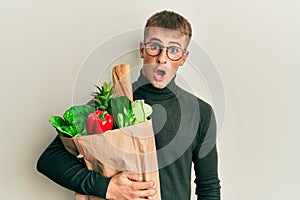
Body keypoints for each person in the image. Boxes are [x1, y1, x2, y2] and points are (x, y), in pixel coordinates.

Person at [37, 10, 221, 199]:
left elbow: (208, 187)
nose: (162, 58)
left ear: (183, 58)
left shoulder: (200, 112)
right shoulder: (111, 104)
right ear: (142, 50)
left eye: (173, 50)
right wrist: (106, 187)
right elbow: (49, 160)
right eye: (154, 46)